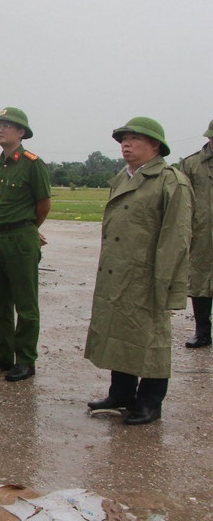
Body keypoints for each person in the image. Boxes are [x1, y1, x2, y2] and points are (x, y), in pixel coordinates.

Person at [85, 117, 192, 425]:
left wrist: (167, 285)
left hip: (148, 276)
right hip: (117, 273)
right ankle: (121, 394)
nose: (126, 145)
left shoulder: (171, 182)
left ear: (155, 145)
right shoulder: (122, 177)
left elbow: (176, 238)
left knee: (152, 339)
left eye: (134, 139)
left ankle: (149, 402)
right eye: (123, 140)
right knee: (121, 333)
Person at [0, 108, 51, 382]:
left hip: (20, 238)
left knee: (26, 303)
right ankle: (2, 354)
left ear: (21, 132)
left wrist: (28, 229)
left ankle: (26, 359)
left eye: (6, 125)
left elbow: (44, 204)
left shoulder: (33, 164)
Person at [182, 119, 213, 348]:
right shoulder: (192, 164)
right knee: (200, 282)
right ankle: (202, 332)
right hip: (201, 233)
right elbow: (182, 201)